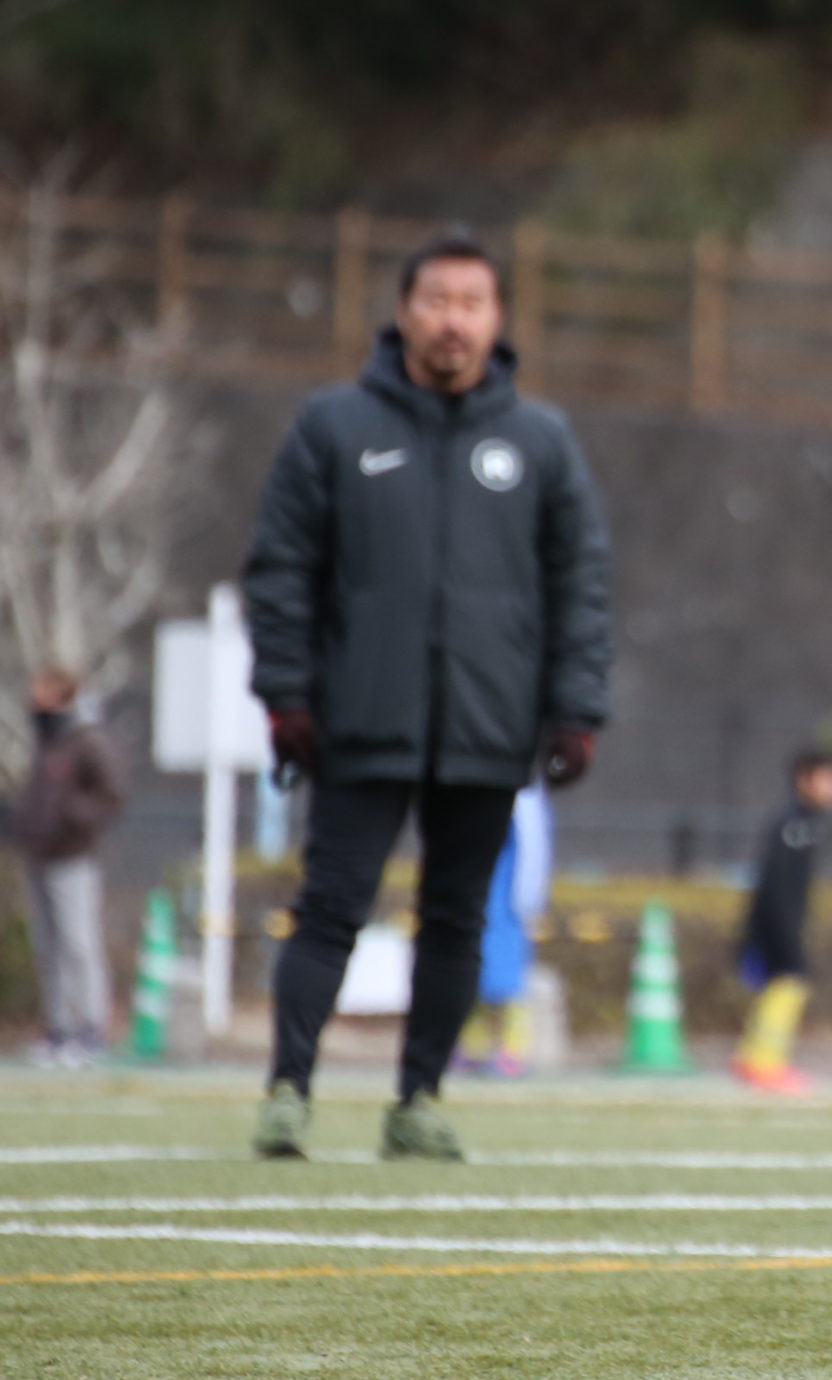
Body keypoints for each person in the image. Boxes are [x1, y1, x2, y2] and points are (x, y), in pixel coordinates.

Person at [244, 233, 612, 1161]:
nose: (454, 319)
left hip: (488, 729)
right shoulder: (332, 427)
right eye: (437, 299)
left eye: (473, 302)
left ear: (497, 320)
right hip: (359, 721)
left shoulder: (541, 441)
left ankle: (419, 1100)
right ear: (404, 311)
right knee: (330, 907)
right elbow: (281, 571)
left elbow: (582, 586)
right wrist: (286, 695)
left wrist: (577, 709)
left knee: (456, 919)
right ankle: (288, 1090)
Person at [12, 664, 124, 1067]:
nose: (34, 694)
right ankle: (58, 1028)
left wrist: (71, 815)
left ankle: (91, 1028)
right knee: (49, 947)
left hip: (72, 857)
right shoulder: (45, 739)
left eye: (41, 687)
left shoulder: (85, 739)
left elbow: (111, 795)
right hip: (38, 855)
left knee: (79, 944)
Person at [733, 749, 832, 1093]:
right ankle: (763, 1062)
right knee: (788, 985)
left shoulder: (809, 822)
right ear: (805, 779)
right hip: (776, 926)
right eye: (829, 778)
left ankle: (755, 1057)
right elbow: (775, 883)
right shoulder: (793, 823)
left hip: (785, 923)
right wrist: (783, 931)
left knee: (782, 988)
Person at [456, 784, 553, 1077]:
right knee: (471, 974)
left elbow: (533, 852)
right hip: (477, 897)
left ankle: (513, 1049)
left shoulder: (525, 797)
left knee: (507, 982)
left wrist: (529, 899)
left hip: (508, 904)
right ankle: (473, 1046)